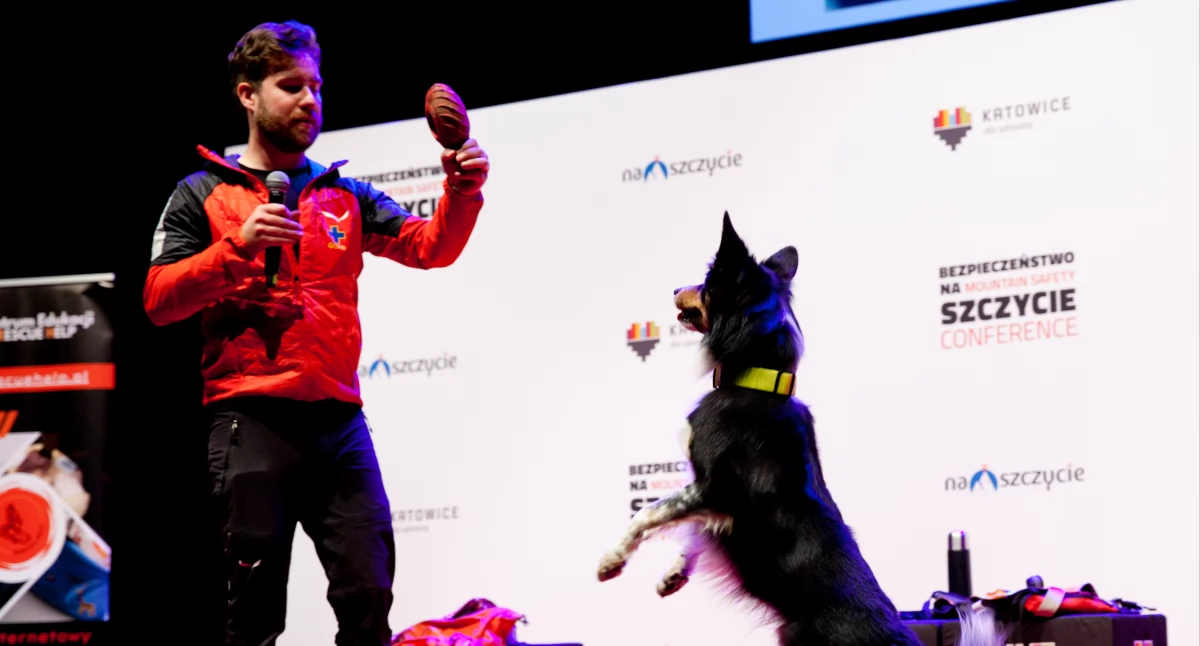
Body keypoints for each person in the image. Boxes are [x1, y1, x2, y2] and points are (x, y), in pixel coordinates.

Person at [142, 20, 489, 646]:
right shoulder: (202, 192)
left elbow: (429, 248)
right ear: (248, 95)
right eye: (291, 85)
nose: (310, 100)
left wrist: (461, 191)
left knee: (368, 594)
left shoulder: (343, 193)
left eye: (316, 86)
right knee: (254, 613)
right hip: (250, 418)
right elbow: (159, 301)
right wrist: (236, 249)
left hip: (338, 422)